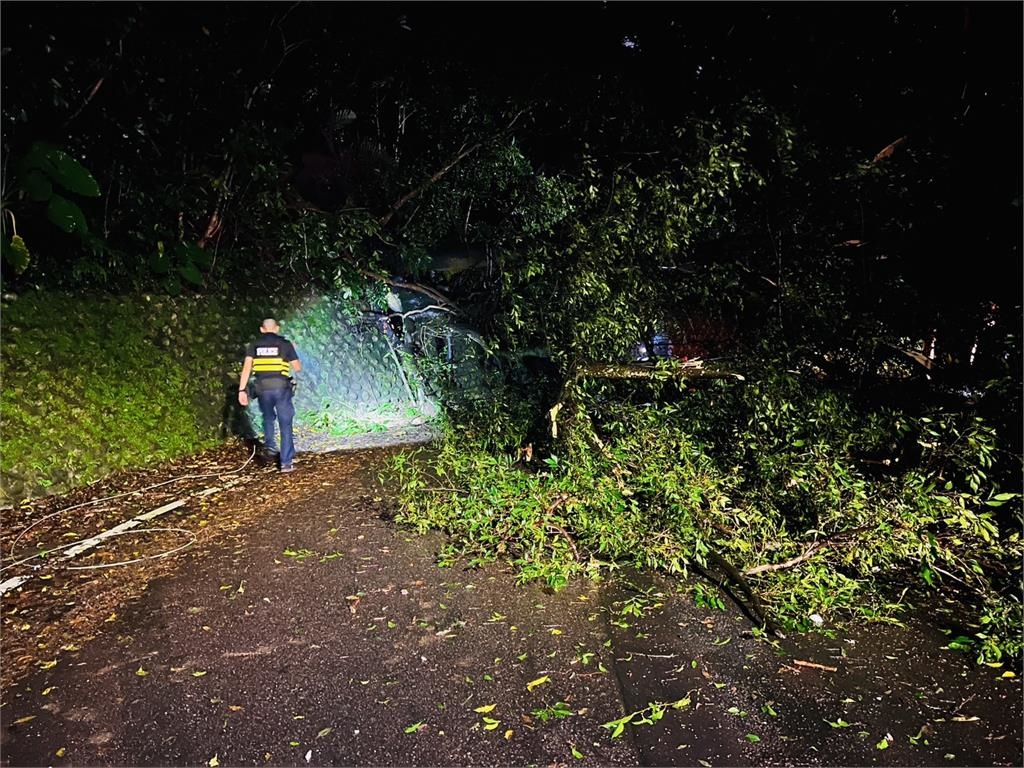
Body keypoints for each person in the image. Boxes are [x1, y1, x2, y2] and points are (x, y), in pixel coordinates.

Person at [238, 318, 302, 472]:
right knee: (285, 423)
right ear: (277, 328)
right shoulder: (285, 344)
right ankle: (286, 462)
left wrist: (242, 390)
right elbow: (297, 367)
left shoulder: (254, 346)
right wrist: (293, 350)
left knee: (268, 418)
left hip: (262, 389)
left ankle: (270, 447)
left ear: (262, 329)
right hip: (281, 388)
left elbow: (246, 369)